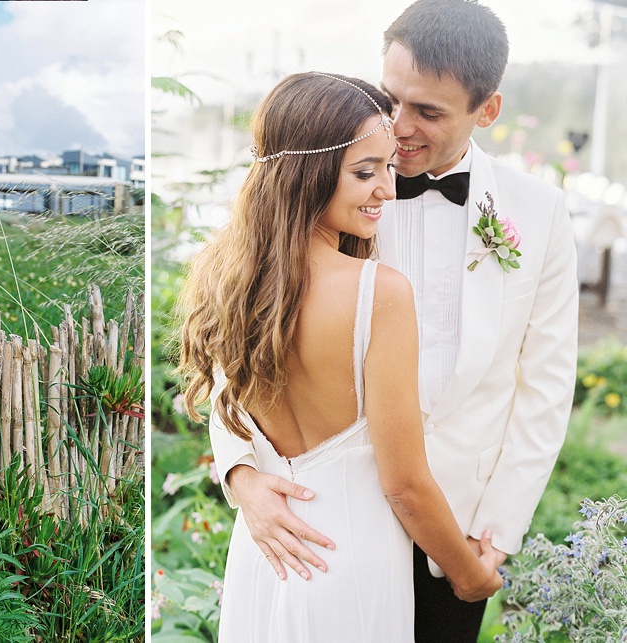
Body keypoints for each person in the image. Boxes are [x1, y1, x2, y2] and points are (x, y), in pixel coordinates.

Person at [207, 1, 579, 641]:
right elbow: (244, 328)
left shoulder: (539, 213)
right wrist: (240, 473)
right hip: (319, 518)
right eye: (391, 97)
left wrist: (492, 538)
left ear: (485, 111)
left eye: (427, 112)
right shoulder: (336, 185)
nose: (398, 126)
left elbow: (546, 388)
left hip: (456, 532)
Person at [179, 71, 504, 643]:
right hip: (347, 563)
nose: (388, 188)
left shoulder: (226, 283)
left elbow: (225, 407)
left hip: (266, 557)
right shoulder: (379, 292)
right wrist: (469, 574)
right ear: (306, 174)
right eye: (365, 172)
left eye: (387, 167)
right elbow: (404, 484)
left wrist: (243, 477)